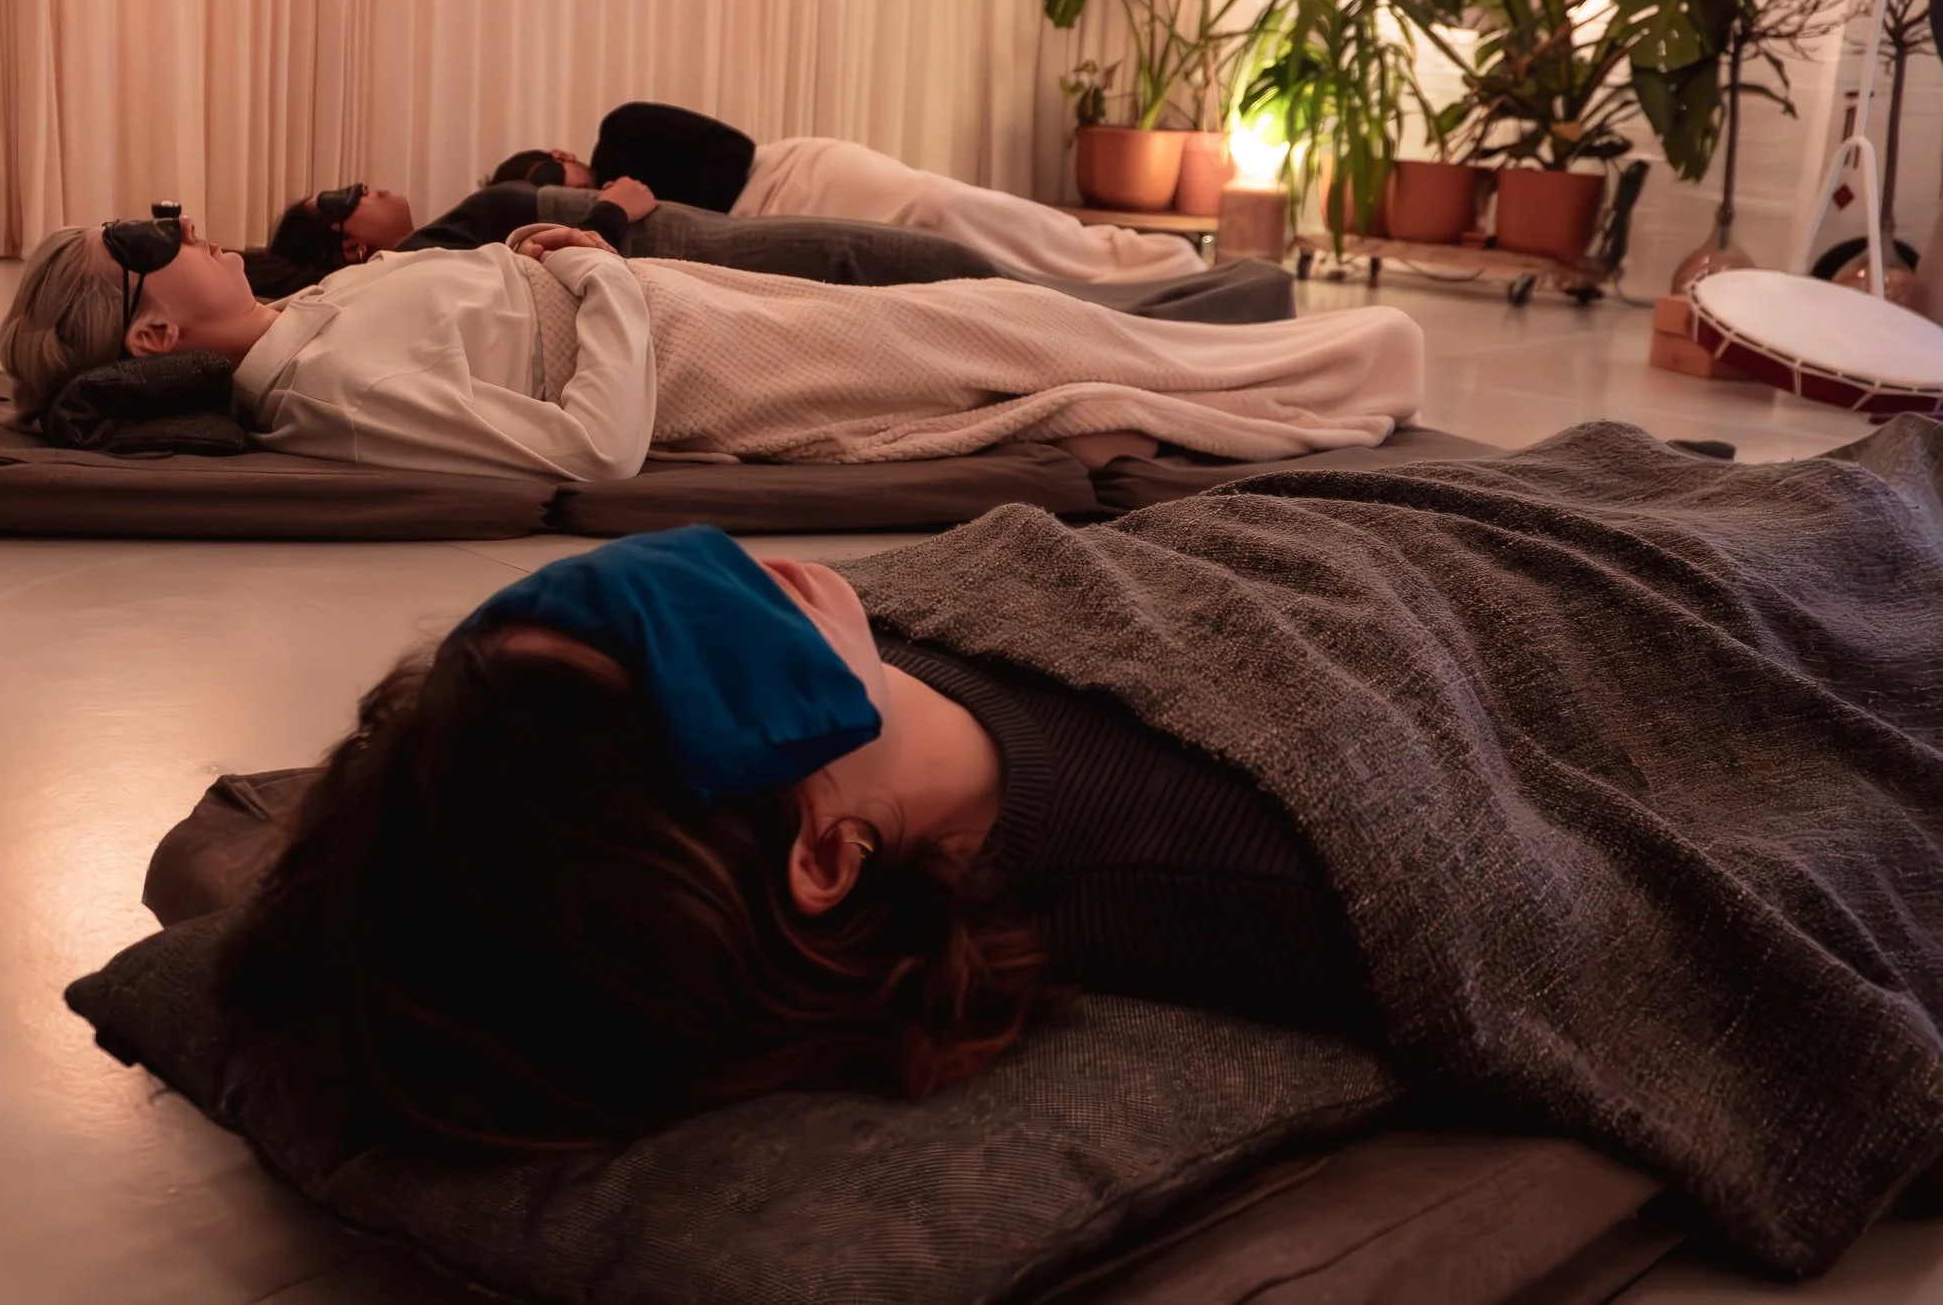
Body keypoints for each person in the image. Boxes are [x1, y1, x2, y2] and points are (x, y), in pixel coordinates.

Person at [209, 425, 1943, 1275]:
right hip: (1691, 610)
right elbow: (1686, 945)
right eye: (669, 628)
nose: (706, 557)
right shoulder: (1251, 861)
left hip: (1494, 511)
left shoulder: (871, 659)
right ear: (821, 855)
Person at [0, 207, 1420, 480]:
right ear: (154, 321)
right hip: (706, 360)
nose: (177, 217)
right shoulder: (324, 389)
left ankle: (1333, 348)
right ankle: (1354, 365)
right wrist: (607, 278)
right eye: (142, 238)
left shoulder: (312, 316)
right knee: (1043, 347)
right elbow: (588, 449)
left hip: (685, 313)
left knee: (1029, 321)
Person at [251, 177, 1294, 324]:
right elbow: (526, 271)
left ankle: (1228, 298)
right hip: (691, 245)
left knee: (977, 273)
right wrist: (611, 208)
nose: (372, 183)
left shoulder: (421, 237)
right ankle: (1234, 305)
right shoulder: (409, 264)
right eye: (349, 197)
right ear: (347, 243)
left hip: (693, 236)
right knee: (982, 283)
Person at [495, 101, 1207, 285]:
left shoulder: (621, 132)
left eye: (552, 180)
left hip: (790, 179)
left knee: (939, 208)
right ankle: (1063, 285)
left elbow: (731, 152)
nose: (560, 194)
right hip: (758, 235)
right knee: (930, 256)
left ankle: (1121, 258)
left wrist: (642, 194)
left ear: (564, 157)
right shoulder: (605, 225)